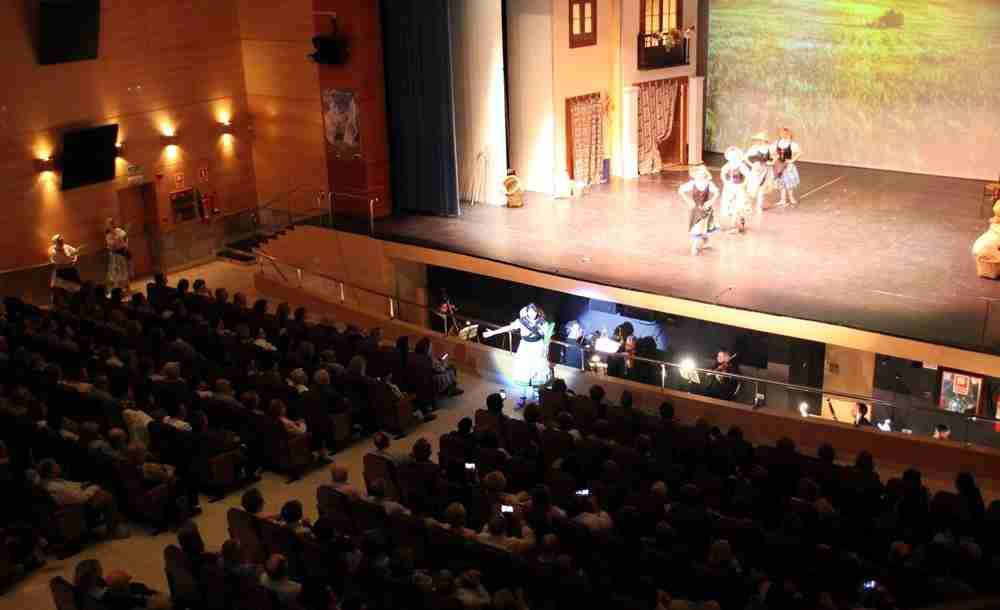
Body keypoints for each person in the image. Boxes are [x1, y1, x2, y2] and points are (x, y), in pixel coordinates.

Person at [484, 304, 554, 405]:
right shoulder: (521, 322)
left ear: (537, 312)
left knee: (537, 372)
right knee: (523, 372)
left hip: (538, 347)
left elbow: (547, 338)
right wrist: (493, 333)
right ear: (527, 312)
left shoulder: (543, 323)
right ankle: (522, 397)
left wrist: (545, 349)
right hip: (525, 348)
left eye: (534, 311)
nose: (532, 313)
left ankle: (536, 395)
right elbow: (508, 328)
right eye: (530, 311)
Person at [678, 165, 720, 256]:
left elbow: (716, 192)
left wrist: (711, 201)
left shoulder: (709, 183)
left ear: (705, 174)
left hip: (705, 208)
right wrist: (688, 201)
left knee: (703, 226)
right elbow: (680, 190)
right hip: (695, 209)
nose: (700, 175)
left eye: (702, 173)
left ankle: (703, 239)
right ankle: (695, 246)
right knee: (697, 227)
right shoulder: (692, 183)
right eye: (698, 174)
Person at [720, 146, 752, 234]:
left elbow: (748, 176)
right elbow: (722, 173)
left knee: (738, 206)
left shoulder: (741, 166)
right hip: (729, 188)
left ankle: (736, 226)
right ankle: (737, 222)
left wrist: (743, 185)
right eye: (731, 156)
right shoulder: (728, 165)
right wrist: (725, 181)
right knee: (730, 205)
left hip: (738, 188)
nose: (732, 158)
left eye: (734, 156)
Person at [771, 128, 802, 207]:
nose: (784, 135)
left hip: (788, 166)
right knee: (781, 182)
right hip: (779, 165)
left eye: (786, 134)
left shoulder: (792, 144)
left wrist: (792, 160)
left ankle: (791, 198)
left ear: (789, 134)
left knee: (789, 183)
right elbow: (772, 152)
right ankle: (782, 199)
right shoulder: (777, 143)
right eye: (782, 133)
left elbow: (799, 152)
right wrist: (775, 160)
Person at [745, 132, 773, 212]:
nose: (759, 141)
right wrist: (751, 164)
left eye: (761, 140)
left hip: (765, 170)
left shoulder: (769, 148)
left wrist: (771, 162)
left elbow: (775, 157)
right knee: (753, 188)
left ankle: (759, 206)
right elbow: (745, 157)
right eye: (758, 140)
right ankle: (748, 205)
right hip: (756, 170)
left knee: (761, 188)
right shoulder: (754, 148)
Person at [104, 218, 130, 294]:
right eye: (107, 224)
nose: (108, 225)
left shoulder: (119, 231)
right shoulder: (108, 234)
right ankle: (119, 291)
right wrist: (113, 244)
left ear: (112, 224)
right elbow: (109, 245)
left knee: (124, 271)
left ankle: (127, 288)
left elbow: (125, 239)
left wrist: (125, 245)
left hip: (121, 253)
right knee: (115, 273)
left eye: (109, 224)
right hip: (113, 254)